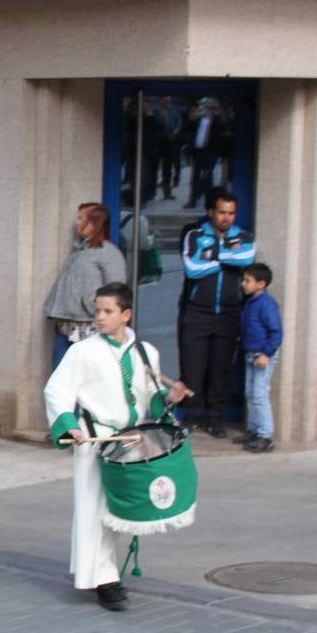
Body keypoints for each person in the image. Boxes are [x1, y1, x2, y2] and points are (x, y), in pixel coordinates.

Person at [44, 282, 189, 611]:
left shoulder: (145, 352)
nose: (100, 317)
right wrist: (68, 426)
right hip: (96, 439)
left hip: (130, 439)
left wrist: (168, 398)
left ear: (126, 314)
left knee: (119, 508)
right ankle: (104, 579)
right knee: (93, 509)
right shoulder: (82, 351)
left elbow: (148, 397)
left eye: (108, 311)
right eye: (97, 311)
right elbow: (57, 391)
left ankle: (103, 572)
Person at [178, 188, 255, 437]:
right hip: (197, 312)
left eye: (231, 213)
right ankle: (192, 415)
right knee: (193, 368)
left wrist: (213, 256)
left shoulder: (244, 235)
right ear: (211, 212)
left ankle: (214, 418)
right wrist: (226, 257)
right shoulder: (195, 234)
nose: (227, 218)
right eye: (222, 212)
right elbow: (192, 268)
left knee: (221, 369)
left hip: (230, 314)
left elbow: (246, 258)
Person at [43, 202, 126, 369]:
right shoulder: (79, 250)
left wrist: (97, 311)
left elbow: (117, 292)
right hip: (66, 326)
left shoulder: (109, 253)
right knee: (61, 376)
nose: (77, 222)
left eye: (81, 218)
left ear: (95, 222)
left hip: (90, 329)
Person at [238, 263, 282, 453]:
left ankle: (265, 435)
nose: (243, 284)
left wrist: (266, 353)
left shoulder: (266, 304)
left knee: (259, 395)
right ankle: (254, 430)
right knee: (251, 394)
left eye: (248, 281)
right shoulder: (251, 302)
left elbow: (276, 332)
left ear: (261, 284)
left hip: (262, 356)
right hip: (251, 355)